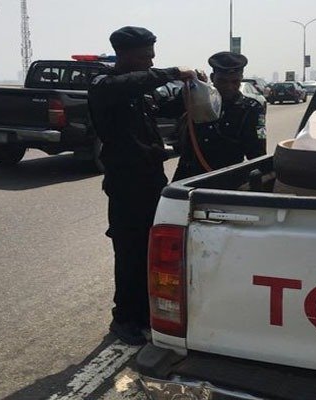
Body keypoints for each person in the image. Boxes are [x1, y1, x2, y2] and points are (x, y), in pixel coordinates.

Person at [88, 26, 197, 345]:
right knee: (129, 253)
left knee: (150, 253)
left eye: (152, 55)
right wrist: (174, 72)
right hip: (126, 186)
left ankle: (143, 314)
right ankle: (123, 318)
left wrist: (192, 88)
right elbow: (131, 83)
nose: (150, 62)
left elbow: (167, 104)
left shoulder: (138, 90)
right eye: (144, 56)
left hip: (151, 181)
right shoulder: (104, 85)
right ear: (123, 55)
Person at [173, 51, 267, 181]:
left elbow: (257, 154)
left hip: (225, 180)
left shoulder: (251, 109)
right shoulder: (196, 100)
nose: (229, 87)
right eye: (222, 81)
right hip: (187, 177)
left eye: (235, 82)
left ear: (241, 79)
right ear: (212, 78)